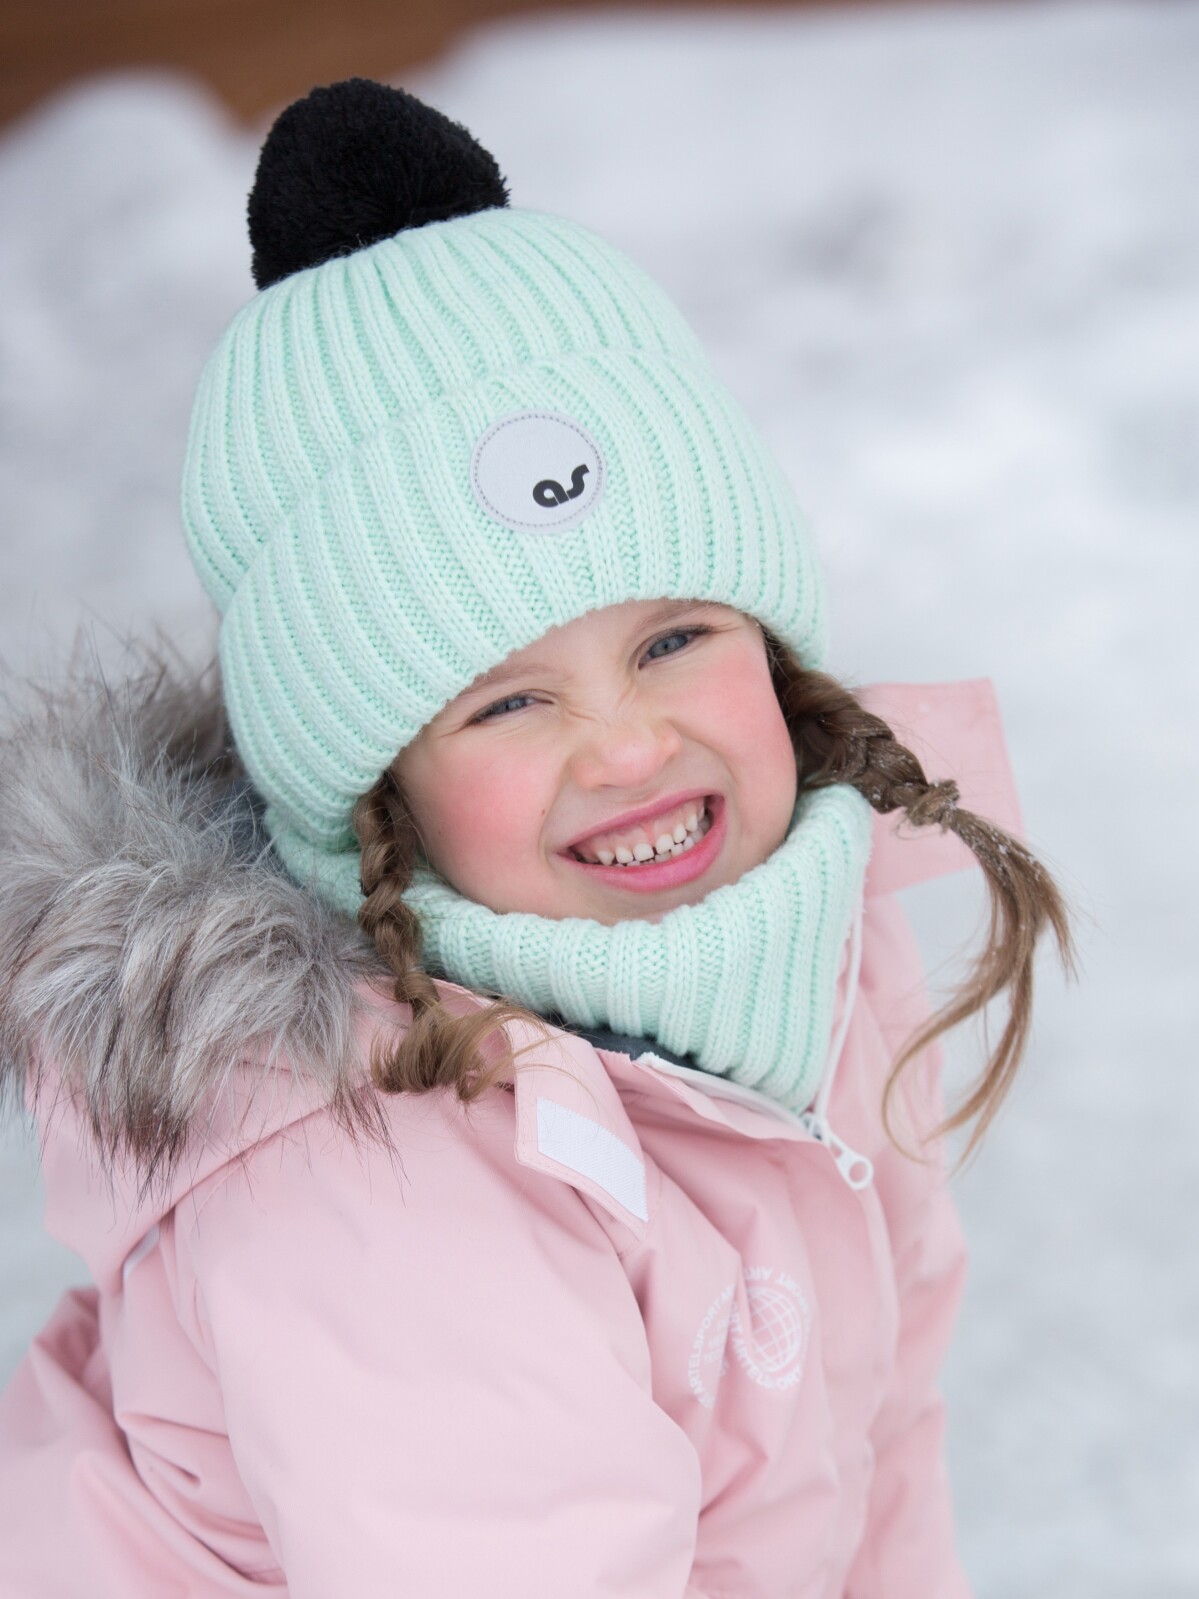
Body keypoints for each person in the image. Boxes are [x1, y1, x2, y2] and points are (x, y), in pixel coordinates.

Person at [0, 79, 1073, 1598]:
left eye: (673, 638)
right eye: (508, 703)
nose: (629, 747)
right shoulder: (372, 1181)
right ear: (374, 793)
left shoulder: (806, 926)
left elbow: (878, 1430)